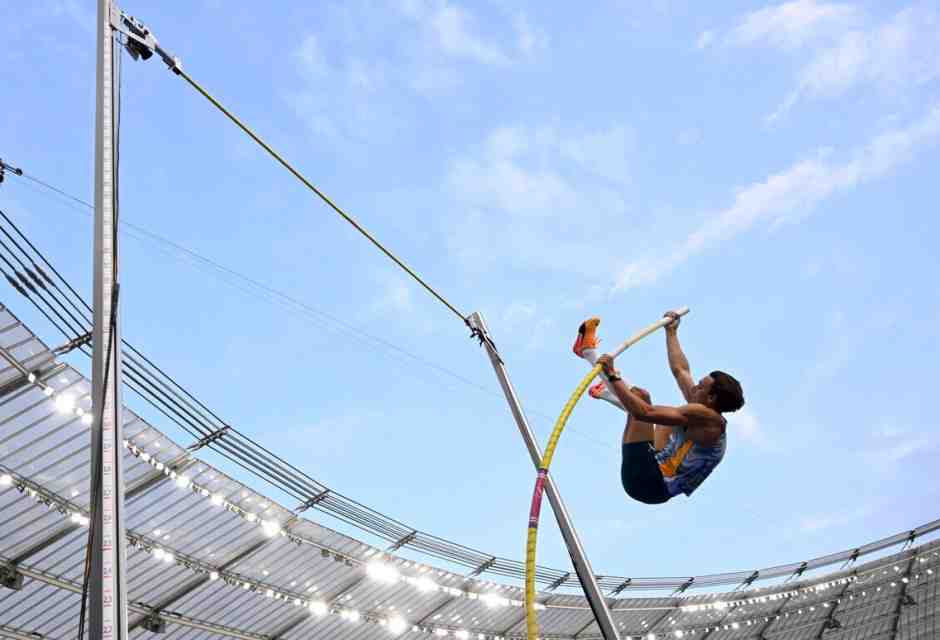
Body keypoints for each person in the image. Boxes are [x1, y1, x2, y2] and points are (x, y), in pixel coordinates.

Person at [572, 312, 744, 504]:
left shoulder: (709, 420)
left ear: (711, 397)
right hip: (654, 466)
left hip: (649, 483)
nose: (695, 386)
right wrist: (671, 332)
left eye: (701, 386)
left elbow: (643, 412)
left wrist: (611, 374)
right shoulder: (701, 403)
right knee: (658, 412)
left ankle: (589, 353)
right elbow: (681, 371)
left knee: (642, 401)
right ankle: (605, 385)